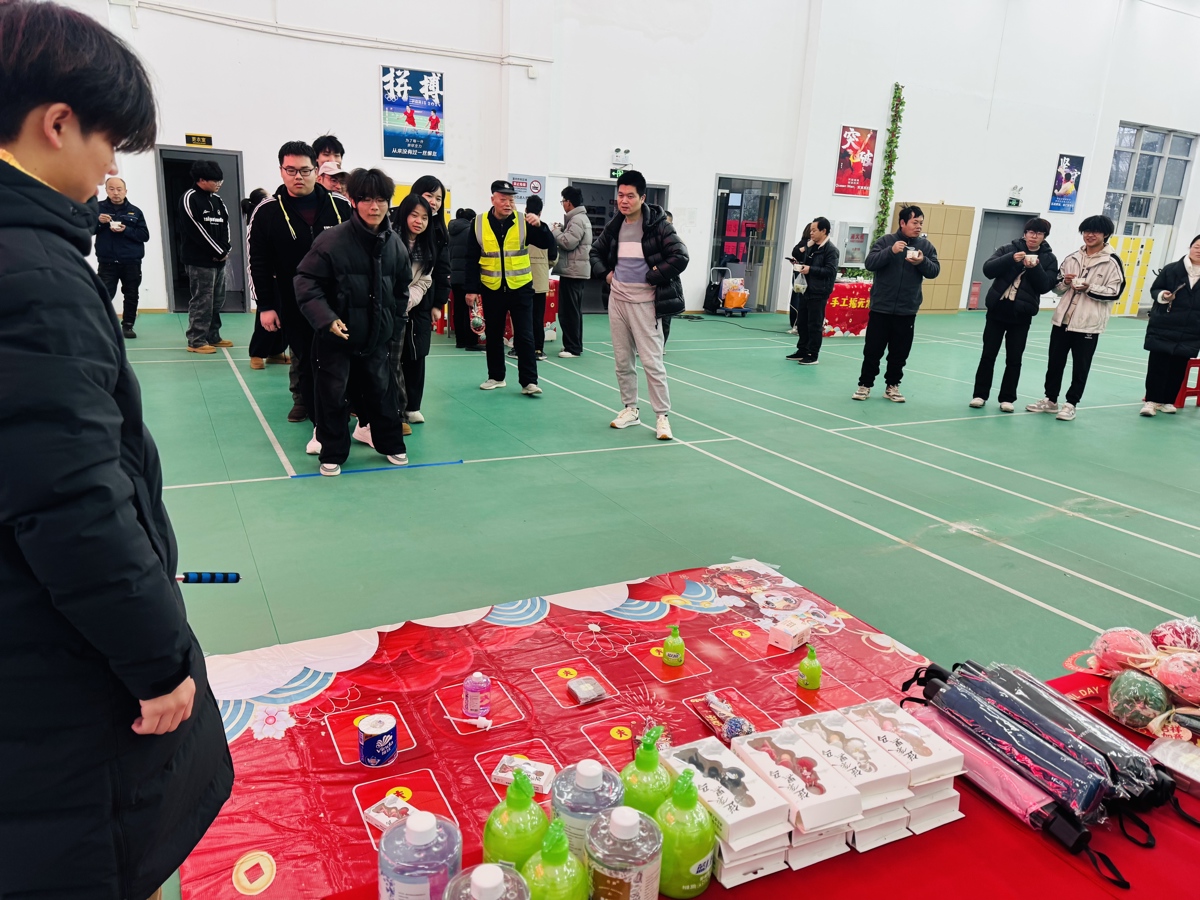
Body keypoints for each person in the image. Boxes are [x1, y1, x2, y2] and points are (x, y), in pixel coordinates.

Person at [0, 4, 233, 898]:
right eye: (107, 143)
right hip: (48, 662)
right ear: (57, 123)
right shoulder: (30, 275)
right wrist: (157, 661)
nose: (108, 168)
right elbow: (72, 504)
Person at [295, 168, 411, 476]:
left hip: (377, 337)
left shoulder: (395, 244)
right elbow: (306, 281)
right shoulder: (332, 240)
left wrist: (395, 323)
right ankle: (332, 451)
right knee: (332, 396)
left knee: (383, 391)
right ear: (353, 201)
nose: (374, 207)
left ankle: (391, 443)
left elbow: (401, 290)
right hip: (336, 338)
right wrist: (326, 318)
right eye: (366, 199)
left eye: (381, 200)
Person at [248, 140, 351, 438]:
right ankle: (313, 413)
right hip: (294, 302)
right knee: (304, 359)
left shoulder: (340, 206)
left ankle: (340, 408)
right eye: (291, 170)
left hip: (338, 301)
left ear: (316, 170)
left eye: (305, 170)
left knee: (340, 357)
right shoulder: (266, 212)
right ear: (281, 171)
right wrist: (266, 305)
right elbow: (258, 262)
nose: (298, 176)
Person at [590, 170, 689, 440]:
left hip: (646, 303)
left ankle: (662, 416)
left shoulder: (658, 225)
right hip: (618, 300)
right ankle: (630, 409)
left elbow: (680, 256)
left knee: (651, 362)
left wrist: (653, 276)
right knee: (622, 360)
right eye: (620, 195)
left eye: (630, 196)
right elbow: (595, 251)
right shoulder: (615, 226)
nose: (624, 201)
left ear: (642, 198)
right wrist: (607, 275)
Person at [1026, 215, 1125, 421]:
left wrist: (1089, 287)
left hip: (1088, 324)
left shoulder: (1112, 262)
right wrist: (1065, 282)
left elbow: (1114, 292)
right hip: (1062, 321)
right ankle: (1050, 400)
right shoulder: (1072, 258)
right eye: (1086, 231)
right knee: (1055, 363)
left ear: (1106, 234)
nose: (1090, 235)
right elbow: (1057, 288)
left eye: (1095, 232)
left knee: (1081, 366)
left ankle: (1071, 404)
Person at [464, 179, 555, 394]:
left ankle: (529, 382)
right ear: (493, 199)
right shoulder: (478, 223)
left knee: (525, 335)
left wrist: (540, 226)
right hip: (491, 287)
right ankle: (496, 377)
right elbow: (471, 258)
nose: (508, 204)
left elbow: (548, 244)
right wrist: (471, 289)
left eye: (511, 200)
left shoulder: (524, 221)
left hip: (520, 287)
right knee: (494, 335)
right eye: (503, 199)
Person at [853, 204, 940, 402]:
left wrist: (922, 262)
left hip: (907, 309)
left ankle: (892, 386)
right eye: (914, 222)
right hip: (881, 307)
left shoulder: (925, 246)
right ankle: (865, 385)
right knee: (873, 350)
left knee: (899, 352)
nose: (918, 226)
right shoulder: (886, 241)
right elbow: (870, 263)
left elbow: (934, 271)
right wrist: (890, 251)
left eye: (921, 223)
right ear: (902, 223)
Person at [969, 217, 1056, 411]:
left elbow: (1045, 286)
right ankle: (979, 395)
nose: (1034, 236)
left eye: (1039, 233)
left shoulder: (1049, 258)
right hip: (997, 309)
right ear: (1025, 233)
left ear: (1044, 237)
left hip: (1022, 315)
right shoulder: (1008, 249)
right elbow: (988, 270)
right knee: (988, 354)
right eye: (1031, 232)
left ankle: (1007, 398)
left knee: (1014, 358)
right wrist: (1011, 259)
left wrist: (1035, 268)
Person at [393, 175, 450, 424]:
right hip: (390, 304)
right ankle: (391, 408)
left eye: (439, 198)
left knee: (416, 352)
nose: (434, 202)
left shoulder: (437, 233)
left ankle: (412, 406)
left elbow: (440, 271)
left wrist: (438, 303)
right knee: (391, 355)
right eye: (429, 196)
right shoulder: (392, 231)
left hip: (421, 301)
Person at [1139, 234, 1200, 416]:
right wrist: (1163, 295)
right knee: (1158, 365)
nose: (1199, 251)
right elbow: (1155, 289)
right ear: (1190, 247)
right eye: (1197, 246)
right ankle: (1151, 401)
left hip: (1192, 328)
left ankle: (1168, 401)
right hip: (1164, 324)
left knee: (1178, 367)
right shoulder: (1171, 269)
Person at [179, 158, 231, 353]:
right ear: (201, 180)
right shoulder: (189, 198)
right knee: (202, 300)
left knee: (217, 300)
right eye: (215, 181)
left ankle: (212, 335)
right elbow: (196, 230)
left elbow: (226, 227)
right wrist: (217, 251)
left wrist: (225, 250)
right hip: (199, 261)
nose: (219, 184)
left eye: (220, 181)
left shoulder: (218, 200)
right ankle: (196, 340)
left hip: (219, 261)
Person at [95, 175, 150, 339]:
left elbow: (144, 235)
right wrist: (99, 222)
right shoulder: (97, 208)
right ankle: (102, 327)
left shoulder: (135, 211)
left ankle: (128, 326)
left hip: (131, 261)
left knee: (131, 294)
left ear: (125, 191)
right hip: (107, 262)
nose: (116, 192)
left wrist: (125, 229)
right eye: (111, 189)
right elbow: (87, 229)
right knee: (103, 295)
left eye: (119, 189)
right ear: (106, 190)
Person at [243, 187, 290, 368]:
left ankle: (276, 351)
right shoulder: (261, 217)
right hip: (271, 277)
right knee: (267, 317)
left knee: (285, 317)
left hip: (287, 276)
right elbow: (257, 257)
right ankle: (257, 353)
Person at [784, 216, 840, 365]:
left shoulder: (831, 250)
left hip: (819, 292)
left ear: (824, 231)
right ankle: (802, 350)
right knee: (802, 322)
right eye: (811, 230)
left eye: (814, 230)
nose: (811, 233)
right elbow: (797, 254)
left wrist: (811, 269)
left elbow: (830, 271)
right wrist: (802, 260)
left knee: (814, 324)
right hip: (805, 290)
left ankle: (812, 354)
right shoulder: (811, 246)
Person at [511, 194, 556, 362]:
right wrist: (543, 267)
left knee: (520, 317)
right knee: (537, 317)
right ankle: (538, 349)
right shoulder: (545, 231)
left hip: (519, 279)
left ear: (525, 209)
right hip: (540, 280)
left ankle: (518, 348)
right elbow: (553, 256)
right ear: (541, 212)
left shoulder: (519, 228)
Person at [552, 185, 592, 358]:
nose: (562, 204)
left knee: (569, 312)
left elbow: (568, 243)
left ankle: (573, 347)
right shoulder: (580, 218)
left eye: (563, 201)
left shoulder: (576, 220)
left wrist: (555, 232)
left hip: (572, 271)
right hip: (575, 270)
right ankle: (574, 345)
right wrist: (562, 229)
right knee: (573, 310)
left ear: (569, 202)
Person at [449, 207, 484, 350]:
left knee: (458, 309)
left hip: (454, 276)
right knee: (470, 309)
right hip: (467, 276)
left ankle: (460, 340)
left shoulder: (451, 233)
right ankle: (471, 341)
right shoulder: (470, 231)